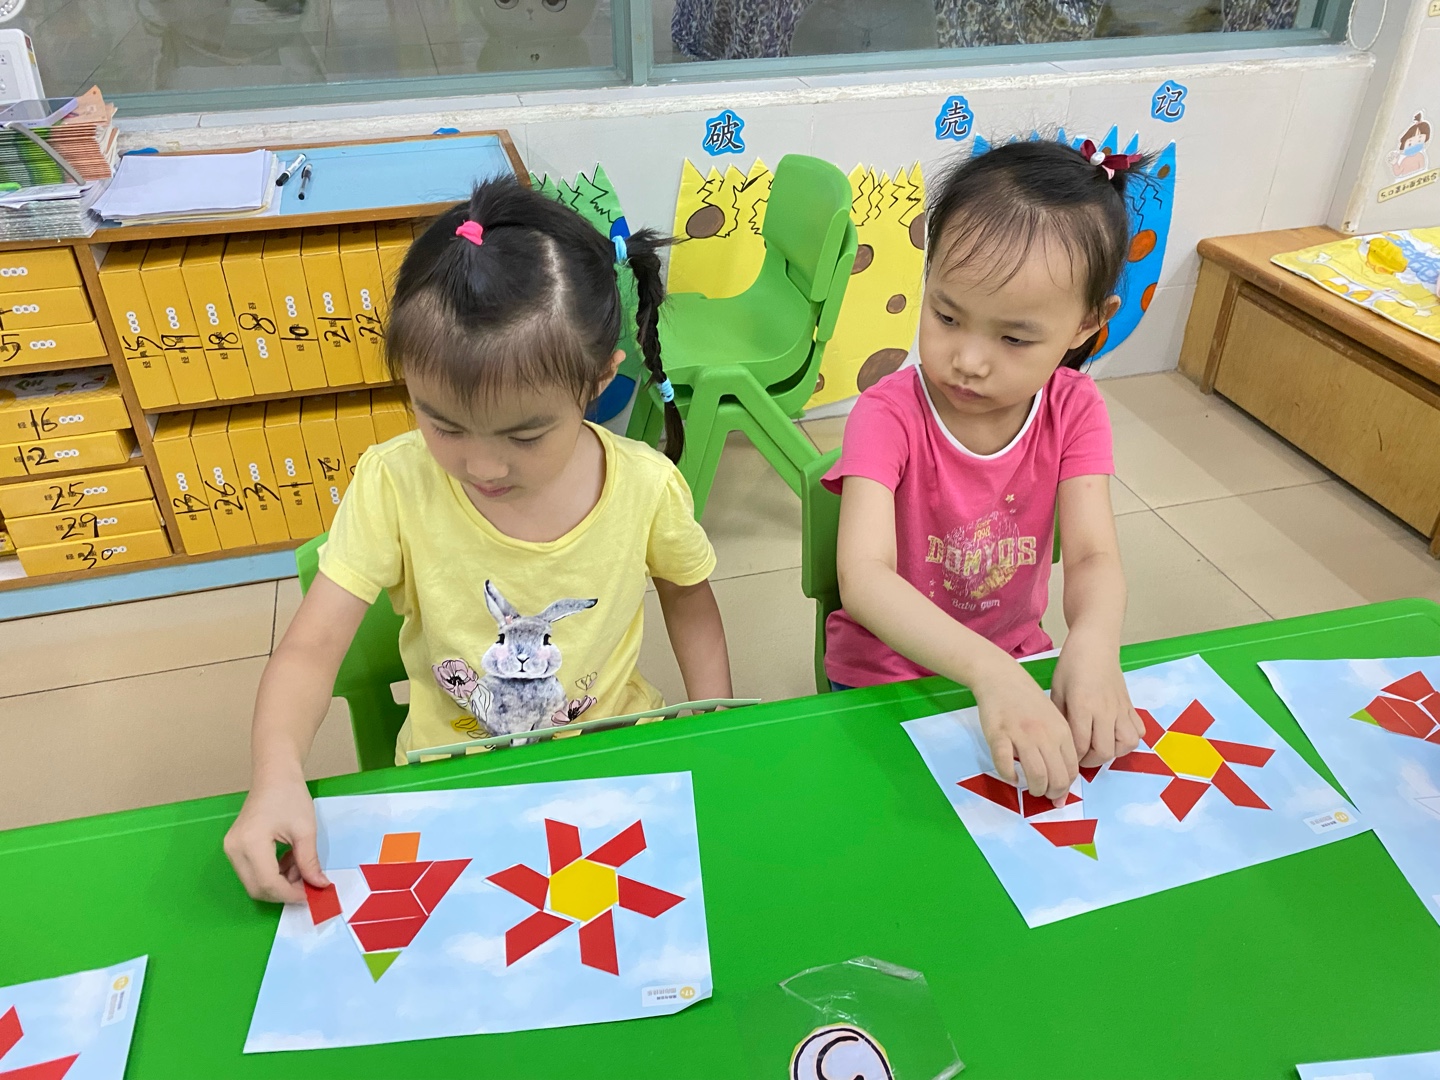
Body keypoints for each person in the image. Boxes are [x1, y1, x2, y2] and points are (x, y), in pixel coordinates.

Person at [225, 178, 733, 902]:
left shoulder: (646, 487)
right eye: (444, 425)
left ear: (598, 382)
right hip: (453, 784)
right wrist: (276, 774)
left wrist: (715, 725)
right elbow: (310, 651)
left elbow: (689, 599)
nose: (483, 467)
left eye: (525, 435)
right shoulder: (394, 482)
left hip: (613, 766)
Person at [827, 137, 1148, 807]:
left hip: (1019, 664)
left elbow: (1092, 556)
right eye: (946, 316)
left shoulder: (1074, 410)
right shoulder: (888, 415)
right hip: (885, 677)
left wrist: (1094, 644)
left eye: (1013, 338)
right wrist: (988, 672)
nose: (968, 361)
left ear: (1088, 324)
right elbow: (863, 578)